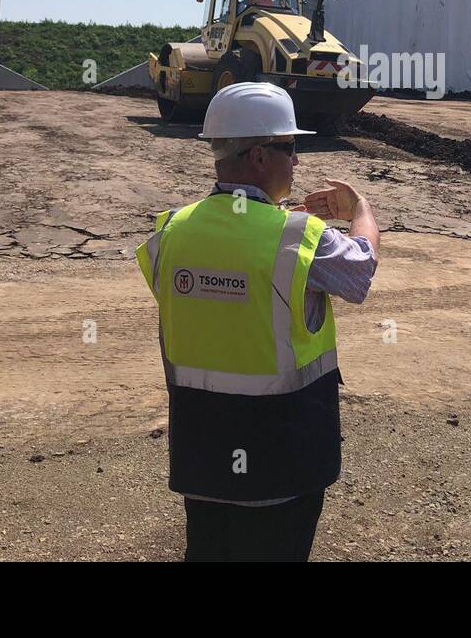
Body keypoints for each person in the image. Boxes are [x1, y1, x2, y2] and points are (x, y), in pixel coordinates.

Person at [135, 80, 379, 561]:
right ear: (260, 157)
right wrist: (362, 210)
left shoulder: (171, 232)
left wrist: (266, 218)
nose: (298, 160)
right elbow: (361, 270)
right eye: (291, 147)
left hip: (201, 457)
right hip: (282, 462)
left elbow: (227, 273)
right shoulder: (298, 237)